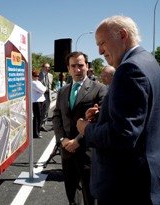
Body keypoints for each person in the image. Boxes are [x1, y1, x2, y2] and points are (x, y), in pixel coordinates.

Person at [76, 15, 160, 205]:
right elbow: (141, 117)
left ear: (122, 34)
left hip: (127, 187)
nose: (99, 50)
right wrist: (103, 115)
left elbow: (123, 135)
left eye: (102, 42)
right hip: (146, 181)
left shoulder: (129, 69)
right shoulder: (147, 61)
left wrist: (86, 129)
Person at [52, 51, 107, 205]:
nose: (77, 69)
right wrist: (63, 140)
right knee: (71, 192)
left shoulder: (99, 89)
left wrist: (77, 140)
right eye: (73, 66)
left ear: (87, 66)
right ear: (68, 68)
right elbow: (57, 116)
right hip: (66, 150)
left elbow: (100, 120)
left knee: (90, 195)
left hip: (87, 151)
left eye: (80, 65)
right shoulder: (63, 91)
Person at [31, 70, 46, 138]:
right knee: (37, 118)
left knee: (41, 117)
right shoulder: (32, 83)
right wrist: (42, 90)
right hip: (36, 101)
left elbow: (44, 88)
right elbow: (43, 90)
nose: (37, 77)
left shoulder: (38, 82)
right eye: (35, 75)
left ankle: (38, 131)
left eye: (38, 75)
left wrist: (42, 90)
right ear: (32, 76)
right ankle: (36, 133)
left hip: (41, 100)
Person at [39, 62, 53, 131]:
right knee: (41, 110)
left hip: (48, 95)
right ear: (43, 68)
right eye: (46, 67)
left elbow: (50, 86)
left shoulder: (50, 75)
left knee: (46, 110)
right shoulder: (38, 75)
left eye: (48, 67)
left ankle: (43, 124)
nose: (48, 68)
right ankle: (39, 124)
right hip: (41, 95)